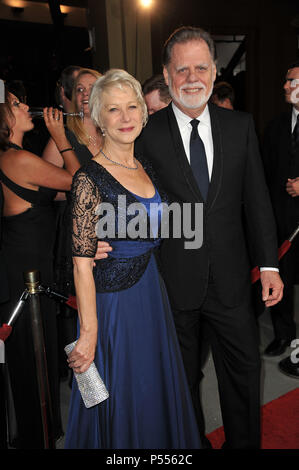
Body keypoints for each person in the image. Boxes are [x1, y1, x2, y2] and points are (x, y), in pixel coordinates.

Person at [96, 26, 284, 449]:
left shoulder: (241, 127)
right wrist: (103, 236)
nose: (192, 77)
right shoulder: (146, 132)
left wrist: (269, 264)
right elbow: (123, 194)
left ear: (215, 71)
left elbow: (257, 202)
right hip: (170, 282)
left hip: (234, 283)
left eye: (201, 67)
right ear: (167, 75)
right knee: (180, 382)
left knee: (244, 375)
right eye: (182, 69)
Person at [64, 69, 201, 449]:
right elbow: (80, 264)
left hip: (151, 294)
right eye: (113, 110)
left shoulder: (145, 167)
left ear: (143, 112)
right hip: (115, 305)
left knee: (151, 387)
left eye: (131, 108)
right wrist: (88, 335)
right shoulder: (88, 179)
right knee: (123, 393)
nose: (125, 118)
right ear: (98, 118)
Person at [0, 86, 80, 448]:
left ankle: (38, 431)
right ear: (4, 117)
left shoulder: (14, 158)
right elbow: (82, 182)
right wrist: (63, 137)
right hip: (28, 275)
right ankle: (38, 436)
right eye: (16, 104)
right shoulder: (17, 161)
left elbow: (51, 187)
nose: (25, 106)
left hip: (20, 267)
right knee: (34, 358)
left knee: (31, 361)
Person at [262, 62, 299, 378]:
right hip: (279, 219)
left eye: (293, 81)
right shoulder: (274, 127)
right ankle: (283, 332)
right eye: (286, 81)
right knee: (280, 275)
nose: (286, 86)